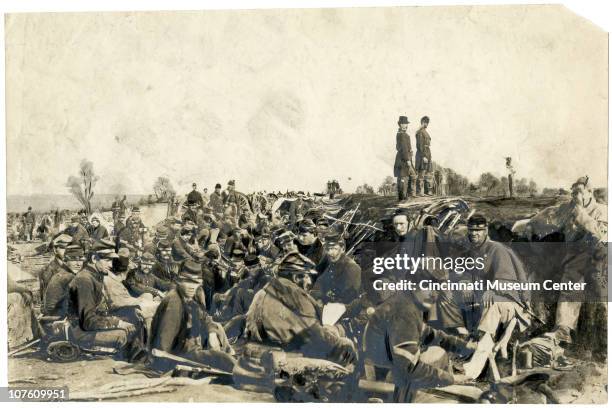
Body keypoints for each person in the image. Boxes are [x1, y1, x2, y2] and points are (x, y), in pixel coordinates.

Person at [363, 272, 475, 402]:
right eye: (427, 288)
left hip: (391, 366)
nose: (433, 294)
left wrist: (462, 345)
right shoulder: (404, 311)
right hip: (386, 375)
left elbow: (429, 334)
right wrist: (450, 378)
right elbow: (410, 368)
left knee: (439, 352)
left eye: (436, 289)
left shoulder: (407, 302)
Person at [529, 176, 607, 344]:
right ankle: (562, 329)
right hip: (575, 256)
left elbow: (600, 233)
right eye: (573, 192)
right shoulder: (568, 208)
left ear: (589, 192)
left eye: (578, 192)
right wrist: (531, 222)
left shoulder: (602, 210)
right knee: (567, 281)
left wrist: (580, 212)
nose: (574, 195)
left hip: (599, 255)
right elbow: (550, 215)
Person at [245, 252, 356, 366]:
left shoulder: (262, 292)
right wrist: (336, 331)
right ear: (296, 277)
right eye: (307, 276)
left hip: (256, 355)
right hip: (286, 361)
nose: (309, 282)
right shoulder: (295, 295)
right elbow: (318, 340)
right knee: (346, 346)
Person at [149, 259, 236, 373]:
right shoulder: (174, 301)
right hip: (176, 357)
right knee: (220, 359)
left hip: (190, 348)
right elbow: (163, 343)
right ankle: (240, 369)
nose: (192, 287)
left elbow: (204, 317)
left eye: (195, 282)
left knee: (216, 327)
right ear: (179, 281)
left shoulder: (188, 297)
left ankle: (233, 361)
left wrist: (211, 332)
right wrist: (165, 368)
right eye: (187, 281)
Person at [68, 240, 146, 361]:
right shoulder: (85, 280)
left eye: (112, 260)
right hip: (81, 332)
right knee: (124, 334)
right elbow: (88, 321)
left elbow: (102, 308)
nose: (111, 265)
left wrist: (129, 311)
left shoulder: (95, 276)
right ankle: (133, 362)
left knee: (135, 318)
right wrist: (118, 323)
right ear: (94, 259)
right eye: (107, 260)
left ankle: (139, 358)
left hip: (92, 324)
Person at [310, 231, 361, 305]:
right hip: (327, 304)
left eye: (334, 249)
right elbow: (319, 281)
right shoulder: (331, 263)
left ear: (343, 249)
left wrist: (322, 298)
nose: (330, 252)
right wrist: (317, 295)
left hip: (343, 309)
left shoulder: (351, 267)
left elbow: (348, 296)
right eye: (328, 249)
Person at [42, 244, 84, 317]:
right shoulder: (66, 277)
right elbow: (49, 308)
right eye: (73, 259)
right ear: (65, 260)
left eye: (80, 259)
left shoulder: (67, 274)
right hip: (60, 319)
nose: (78, 264)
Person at [393, 115, 416, 200]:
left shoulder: (403, 134)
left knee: (410, 176)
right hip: (403, 159)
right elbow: (403, 148)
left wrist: (410, 153)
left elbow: (402, 147)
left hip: (405, 158)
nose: (405, 125)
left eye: (406, 123)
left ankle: (407, 196)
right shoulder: (401, 135)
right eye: (403, 123)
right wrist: (407, 159)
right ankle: (403, 198)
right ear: (400, 125)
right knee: (403, 178)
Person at [415, 116, 433, 196]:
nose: (426, 124)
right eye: (425, 122)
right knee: (421, 173)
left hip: (428, 152)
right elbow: (419, 145)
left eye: (427, 122)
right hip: (422, 153)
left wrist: (428, 156)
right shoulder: (420, 132)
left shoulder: (425, 132)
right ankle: (420, 192)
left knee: (428, 172)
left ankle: (428, 191)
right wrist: (423, 156)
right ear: (422, 122)